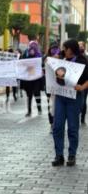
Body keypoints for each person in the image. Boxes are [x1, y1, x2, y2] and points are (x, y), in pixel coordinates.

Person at [52, 39, 88, 167]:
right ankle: (59, 155)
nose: (63, 50)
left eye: (65, 48)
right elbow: (48, 62)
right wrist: (51, 60)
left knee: (73, 127)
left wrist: (82, 87)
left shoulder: (82, 61)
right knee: (57, 127)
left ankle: (72, 155)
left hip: (75, 97)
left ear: (71, 49)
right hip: (61, 97)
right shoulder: (61, 57)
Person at [21, 41, 43, 117]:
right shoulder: (25, 54)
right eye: (31, 46)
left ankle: (39, 108)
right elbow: (21, 63)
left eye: (34, 46)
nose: (32, 48)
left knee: (37, 94)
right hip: (28, 79)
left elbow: (42, 64)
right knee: (29, 95)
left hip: (36, 79)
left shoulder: (39, 55)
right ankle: (29, 111)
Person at [43, 42, 61, 133]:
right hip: (49, 86)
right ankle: (52, 123)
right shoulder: (46, 58)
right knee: (50, 104)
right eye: (53, 49)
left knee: (59, 105)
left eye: (56, 49)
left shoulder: (62, 58)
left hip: (60, 87)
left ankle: (57, 123)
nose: (54, 51)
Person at [79, 41, 88, 125]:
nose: (80, 47)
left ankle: (82, 117)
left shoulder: (86, 57)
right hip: (77, 82)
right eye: (79, 46)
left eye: (81, 46)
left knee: (83, 100)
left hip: (85, 83)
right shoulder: (75, 57)